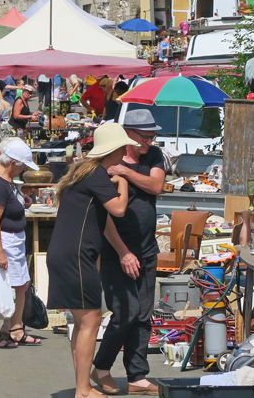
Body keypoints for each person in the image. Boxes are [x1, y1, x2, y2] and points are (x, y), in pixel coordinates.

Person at [47, 123, 133, 398]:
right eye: (124, 147)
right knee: (91, 319)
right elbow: (118, 209)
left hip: (66, 253)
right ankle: (83, 390)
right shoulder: (96, 173)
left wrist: (121, 251)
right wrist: (124, 181)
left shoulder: (85, 171)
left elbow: (105, 219)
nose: (126, 152)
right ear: (115, 149)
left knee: (83, 320)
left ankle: (82, 385)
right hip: (76, 255)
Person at [91, 110, 165, 396]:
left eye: (152, 136)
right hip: (117, 250)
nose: (149, 141)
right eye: (143, 136)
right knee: (125, 312)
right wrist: (122, 252)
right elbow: (106, 215)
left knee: (144, 314)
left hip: (147, 248)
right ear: (128, 134)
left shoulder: (152, 156)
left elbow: (156, 185)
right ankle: (101, 366)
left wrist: (126, 172)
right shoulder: (111, 158)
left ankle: (137, 375)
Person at [0, 139, 42, 349]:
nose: (24, 169)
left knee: (21, 284)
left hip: (13, 240)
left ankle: (15, 328)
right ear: (13, 162)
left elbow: (7, 204)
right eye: (23, 165)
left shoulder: (5, 180)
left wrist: (21, 200)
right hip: (3, 240)